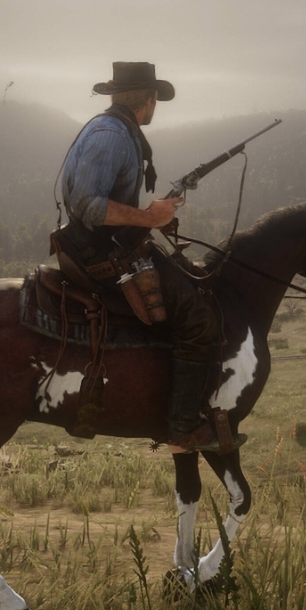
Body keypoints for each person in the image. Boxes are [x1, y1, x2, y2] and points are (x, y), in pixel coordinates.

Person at [56, 62, 223, 452]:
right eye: (155, 101)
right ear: (147, 102)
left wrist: (148, 220)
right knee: (199, 321)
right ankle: (182, 426)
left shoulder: (112, 129)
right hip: (100, 251)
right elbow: (89, 206)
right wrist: (148, 217)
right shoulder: (112, 136)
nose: (155, 107)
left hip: (109, 242)